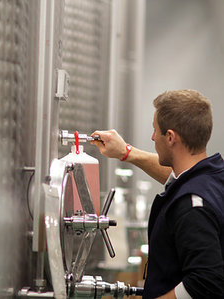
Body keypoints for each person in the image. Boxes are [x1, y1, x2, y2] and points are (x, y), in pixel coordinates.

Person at [91, 89, 224, 299]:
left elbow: (205, 282)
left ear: (170, 137)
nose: (153, 137)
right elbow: (178, 178)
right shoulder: (213, 176)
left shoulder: (192, 206)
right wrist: (126, 152)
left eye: (155, 130)